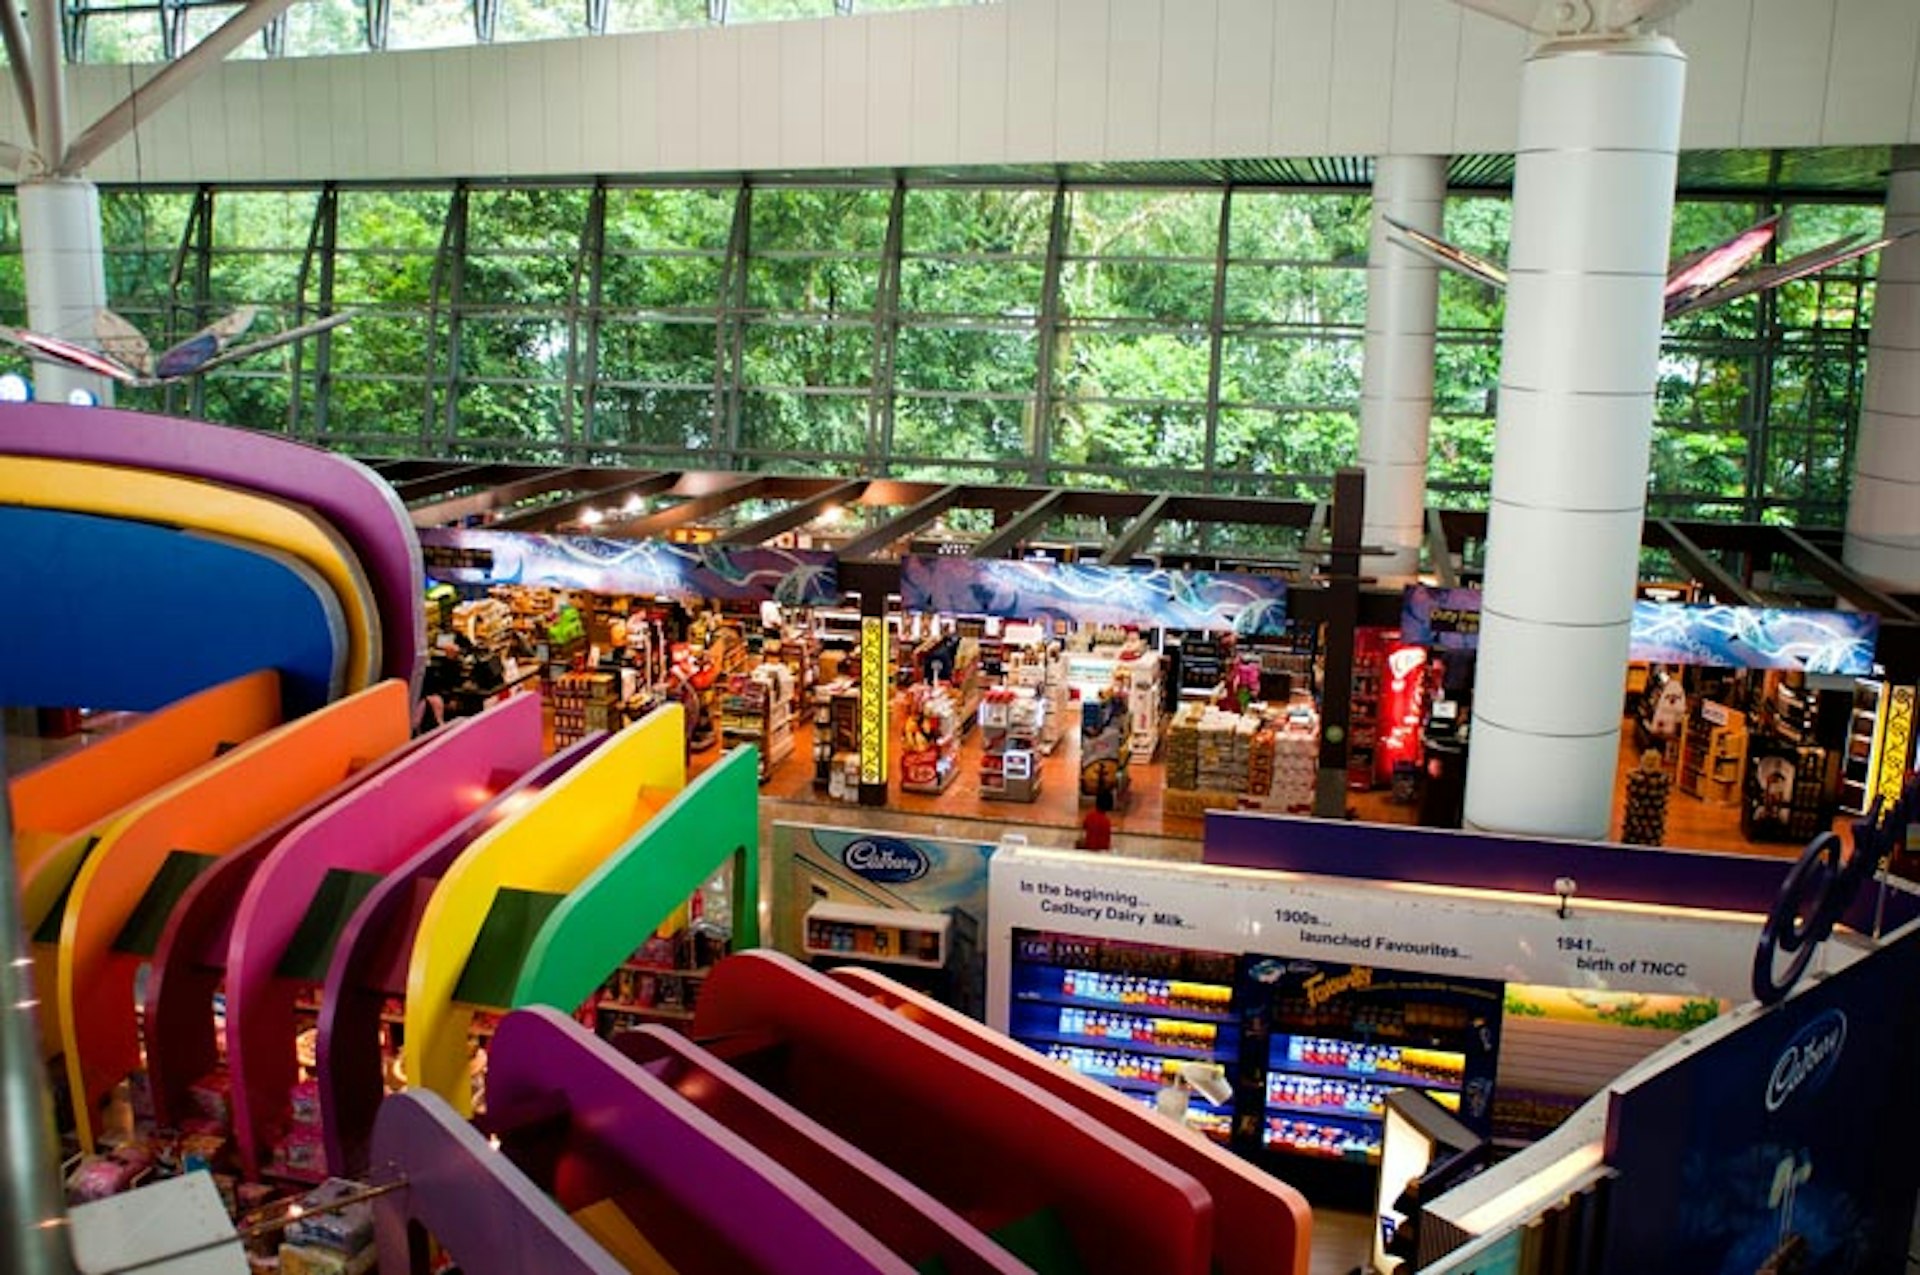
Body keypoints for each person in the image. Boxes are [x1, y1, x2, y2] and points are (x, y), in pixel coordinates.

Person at [1077, 785, 1114, 851]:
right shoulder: (1106, 821)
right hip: (1102, 850)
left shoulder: (1089, 816)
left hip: (1089, 848)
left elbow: (1083, 831)